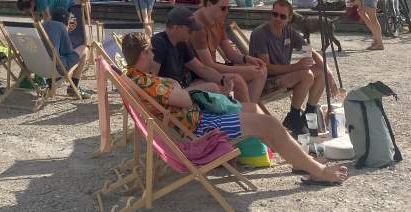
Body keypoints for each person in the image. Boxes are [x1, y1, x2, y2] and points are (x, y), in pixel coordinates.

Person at [121, 32, 348, 186]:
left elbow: (176, 92)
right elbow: (185, 101)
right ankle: (318, 171)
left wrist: (177, 87)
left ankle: (297, 158)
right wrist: (179, 87)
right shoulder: (145, 81)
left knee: (252, 107)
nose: (153, 54)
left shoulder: (135, 77)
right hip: (199, 130)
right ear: (142, 54)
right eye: (150, 51)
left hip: (195, 122)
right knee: (268, 123)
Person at [250, 0, 339, 137]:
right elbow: (267, 69)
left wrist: (329, 74)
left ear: (289, 19)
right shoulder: (260, 34)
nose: (277, 19)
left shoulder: (289, 32)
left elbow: (310, 52)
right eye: (275, 14)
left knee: (320, 72)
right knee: (306, 75)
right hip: (265, 82)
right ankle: (294, 116)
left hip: (285, 76)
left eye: (282, 16)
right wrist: (296, 66)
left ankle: (308, 114)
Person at [190, 0, 267, 102]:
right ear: (209, 4)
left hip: (211, 68)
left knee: (260, 69)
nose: (226, 11)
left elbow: (230, 53)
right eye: (223, 8)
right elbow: (207, 65)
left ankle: (248, 108)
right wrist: (244, 70)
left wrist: (247, 58)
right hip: (198, 74)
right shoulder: (198, 26)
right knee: (257, 73)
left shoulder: (217, 20)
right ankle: (247, 111)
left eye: (228, 8)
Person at [150, 6, 236, 97]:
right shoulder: (159, 43)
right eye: (190, 30)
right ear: (176, 28)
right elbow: (151, 77)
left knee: (218, 84)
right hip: (168, 93)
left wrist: (222, 79)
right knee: (213, 87)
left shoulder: (180, 42)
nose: (192, 33)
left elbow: (200, 68)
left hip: (179, 88)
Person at [41, 8, 89, 97]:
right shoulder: (61, 27)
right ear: (65, 21)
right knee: (84, 49)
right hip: (56, 68)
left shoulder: (42, 25)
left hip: (39, 66)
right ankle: (73, 87)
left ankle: (51, 82)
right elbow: (68, 51)